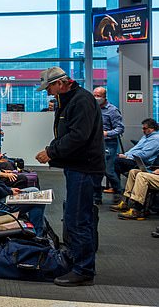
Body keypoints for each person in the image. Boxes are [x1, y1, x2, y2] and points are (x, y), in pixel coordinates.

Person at [34, 66, 104, 287]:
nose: (48, 93)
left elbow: (78, 136)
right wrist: (53, 148)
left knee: (78, 220)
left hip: (84, 168)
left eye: (49, 88)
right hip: (78, 167)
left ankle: (83, 269)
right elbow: (67, 133)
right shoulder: (69, 100)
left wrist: (51, 152)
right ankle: (76, 262)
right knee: (75, 217)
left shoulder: (81, 101)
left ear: (61, 83)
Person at [93, 86, 124, 204]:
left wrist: (107, 133)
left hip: (109, 143)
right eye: (94, 95)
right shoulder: (93, 108)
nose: (96, 98)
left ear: (104, 97)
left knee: (108, 171)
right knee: (96, 171)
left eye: (98, 96)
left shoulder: (112, 110)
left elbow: (120, 128)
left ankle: (118, 192)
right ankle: (96, 197)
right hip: (95, 143)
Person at [113, 118, 159, 186]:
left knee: (115, 161)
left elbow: (145, 154)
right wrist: (125, 155)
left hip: (141, 163)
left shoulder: (155, 139)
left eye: (145, 128)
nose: (143, 130)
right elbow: (135, 149)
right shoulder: (145, 137)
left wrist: (127, 156)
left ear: (152, 128)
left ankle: (117, 187)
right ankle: (121, 188)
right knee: (112, 158)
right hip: (134, 159)